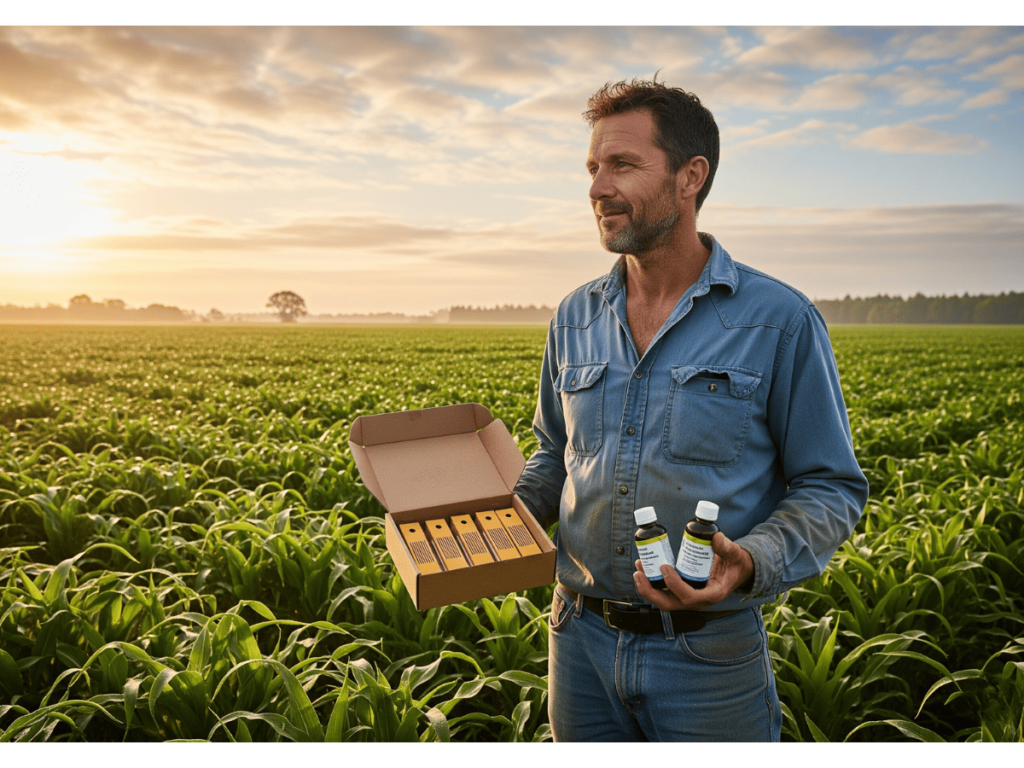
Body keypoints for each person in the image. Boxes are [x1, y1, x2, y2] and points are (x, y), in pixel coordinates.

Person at [512, 78, 870, 743]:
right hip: (578, 641)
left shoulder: (778, 321)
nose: (595, 188)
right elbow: (553, 456)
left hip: (707, 657)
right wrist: (486, 519)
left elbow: (832, 486)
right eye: (592, 168)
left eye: (621, 164)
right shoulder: (573, 317)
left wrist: (752, 559)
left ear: (690, 177)